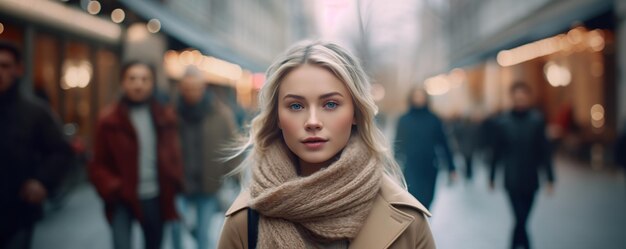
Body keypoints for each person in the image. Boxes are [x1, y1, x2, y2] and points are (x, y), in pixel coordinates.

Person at [217, 41, 435, 249]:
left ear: (355, 113)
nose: (312, 121)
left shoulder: (408, 221)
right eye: (295, 106)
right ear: (277, 118)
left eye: (330, 104)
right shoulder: (244, 222)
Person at [89, 61, 183, 249]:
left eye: (144, 79)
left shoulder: (164, 117)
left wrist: (175, 180)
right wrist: (113, 186)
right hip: (122, 197)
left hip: (156, 196)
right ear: (123, 83)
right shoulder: (108, 120)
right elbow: (97, 164)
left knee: (154, 244)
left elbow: (174, 154)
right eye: (132, 79)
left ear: (152, 83)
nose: (138, 84)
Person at [0, 41, 74, 249]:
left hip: (17, 211)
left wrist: (41, 181)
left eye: (5, 66)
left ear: (18, 70)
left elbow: (61, 151)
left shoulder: (35, 112)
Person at [172, 69, 239, 249]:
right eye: (187, 88)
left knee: (203, 233)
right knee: (177, 229)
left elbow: (232, 147)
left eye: (195, 88)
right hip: (178, 184)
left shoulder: (220, 113)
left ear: (203, 88)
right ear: (181, 88)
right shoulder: (171, 113)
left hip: (208, 184)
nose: (191, 92)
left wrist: (238, 181)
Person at [489, 81, 555, 249]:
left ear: (528, 98)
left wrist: (550, 178)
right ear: (512, 98)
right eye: (516, 97)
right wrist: (491, 176)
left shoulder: (537, 121)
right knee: (520, 217)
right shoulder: (503, 122)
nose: (520, 100)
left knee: (523, 219)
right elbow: (496, 152)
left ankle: (514, 244)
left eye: (522, 97)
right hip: (511, 178)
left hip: (531, 178)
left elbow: (544, 151)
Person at [395, 86, 457, 209]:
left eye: (421, 96)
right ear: (411, 98)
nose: (419, 99)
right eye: (416, 96)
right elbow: (398, 143)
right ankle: (415, 227)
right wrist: (394, 165)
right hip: (411, 166)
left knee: (427, 200)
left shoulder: (434, 119)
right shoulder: (404, 120)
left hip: (430, 167)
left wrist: (451, 167)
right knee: (413, 200)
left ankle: (423, 226)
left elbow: (444, 143)